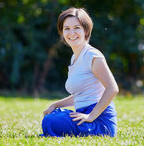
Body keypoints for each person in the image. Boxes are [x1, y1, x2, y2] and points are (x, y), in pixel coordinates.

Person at [40, 7, 119, 137]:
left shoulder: (92, 55)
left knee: (50, 121)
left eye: (77, 27)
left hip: (100, 123)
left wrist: (91, 116)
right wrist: (55, 105)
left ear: (86, 30)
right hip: (83, 115)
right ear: (62, 32)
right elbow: (81, 95)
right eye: (67, 29)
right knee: (53, 115)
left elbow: (112, 88)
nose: (72, 33)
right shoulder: (75, 57)